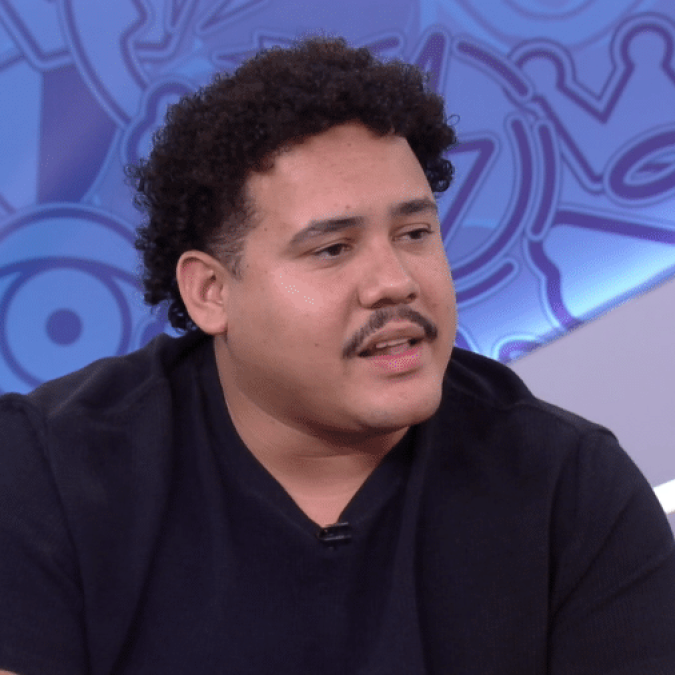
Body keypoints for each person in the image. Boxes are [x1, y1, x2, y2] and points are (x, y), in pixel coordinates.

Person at [0, 36, 674, 675]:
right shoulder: (48, 471)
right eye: (332, 248)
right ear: (210, 292)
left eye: (414, 233)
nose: (395, 281)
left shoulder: (570, 487)